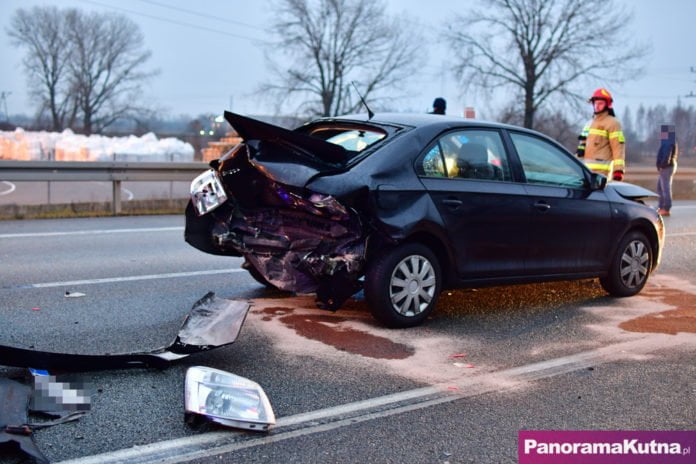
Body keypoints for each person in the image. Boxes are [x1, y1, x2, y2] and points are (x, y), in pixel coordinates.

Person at [576, 88, 626, 181]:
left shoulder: (613, 123)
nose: (597, 106)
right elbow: (581, 147)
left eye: (600, 104)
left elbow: (618, 148)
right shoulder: (589, 123)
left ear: (607, 105)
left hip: (602, 174)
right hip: (586, 173)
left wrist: (618, 170)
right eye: (596, 103)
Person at [656, 125, 678, 216]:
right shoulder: (670, 139)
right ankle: (661, 207)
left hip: (667, 166)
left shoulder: (668, 141)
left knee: (665, 188)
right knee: (660, 187)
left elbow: (667, 153)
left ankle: (666, 208)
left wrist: (663, 164)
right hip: (668, 165)